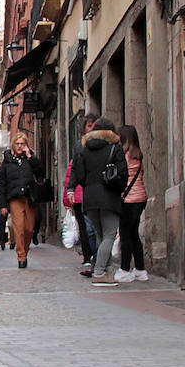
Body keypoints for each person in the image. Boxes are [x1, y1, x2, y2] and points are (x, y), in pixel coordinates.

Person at [71, 116, 127, 286]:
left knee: (101, 235)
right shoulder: (115, 148)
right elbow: (123, 173)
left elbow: (79, 175)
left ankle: (108, 271)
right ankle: (99, 272)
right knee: (109, 235)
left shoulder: (83, 150)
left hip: (89, 197)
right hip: (109, 196)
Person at [0, 132, 43, 269]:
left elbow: (41, 172)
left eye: (22, 144)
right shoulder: (7, 161)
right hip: (15, 198)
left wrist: (30, 157)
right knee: (19, 228)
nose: (20, 146)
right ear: (13, 145)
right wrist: (2, 204)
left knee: (29, 229)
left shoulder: (30, 158)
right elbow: (1, 183)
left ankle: (25, 251)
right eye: (18, 144)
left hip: (30, 197)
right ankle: (21, 256)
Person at [65, 112, 99, 276]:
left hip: (102, 192)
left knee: (99, 229)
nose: (92, 129)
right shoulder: (79, 146)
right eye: (89, 125)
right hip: (86, 192)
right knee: (90, 230)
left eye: (94, 125)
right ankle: (94, 260)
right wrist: (71, 189)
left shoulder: (108, 143)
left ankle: (99, 263)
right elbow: (75, 168)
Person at [115, 124, 149, 282]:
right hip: (141, 197)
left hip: (128, 199)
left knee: (126, 235)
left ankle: (125, 269)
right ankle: (140, 269)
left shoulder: (124, 155)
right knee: (134, 234)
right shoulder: (138, 155)